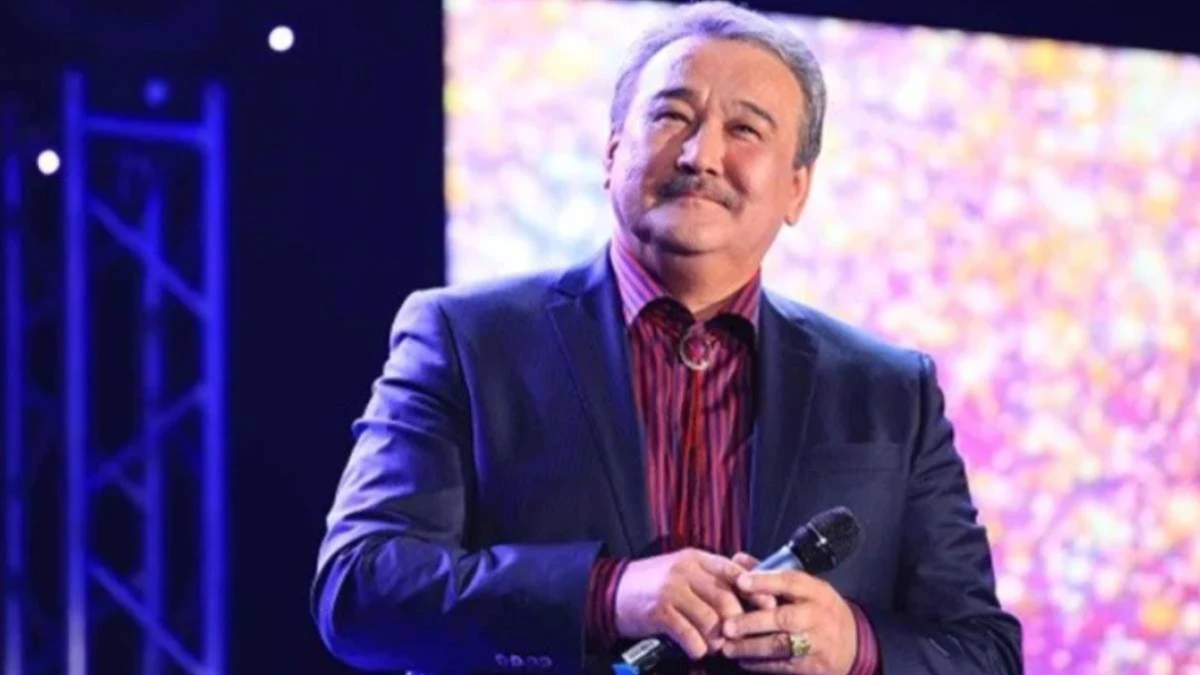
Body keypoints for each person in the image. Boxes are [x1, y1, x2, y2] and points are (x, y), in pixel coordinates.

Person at [310, 2, 1022, 674]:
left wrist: (855, 646)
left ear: (797, 188)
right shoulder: (467, 339)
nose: (701, 155)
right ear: (612, 153)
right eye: (672, 116)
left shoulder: (891, 389)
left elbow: (986, 651)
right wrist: (604, 593)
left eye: (746, 130)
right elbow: (358, 588)